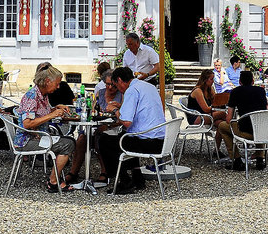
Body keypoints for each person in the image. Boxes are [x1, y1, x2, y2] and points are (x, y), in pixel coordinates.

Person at [17, 63, 88, 192]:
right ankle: (53, 182)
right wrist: (52, 115)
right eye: (57, 83)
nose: (58, 86)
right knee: (68, 144)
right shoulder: (32, 96)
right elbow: (27, 123)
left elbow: (41, 112)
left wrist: (56, 108)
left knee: (68, 141)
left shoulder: (42, 95)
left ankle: (55, 179)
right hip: (26, 141)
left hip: (38, 137)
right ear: (47, 81)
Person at [99, 66, 167, 194]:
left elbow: (126, 122)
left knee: (104, 140)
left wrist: (114, 110)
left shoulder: (131, 90)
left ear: (120, 80)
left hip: (147, 143)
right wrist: (122, 106)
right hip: (162, 140)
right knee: (127, 136)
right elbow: (141, 108)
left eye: (115, 85)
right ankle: (137, 177)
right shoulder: (149, 87)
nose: (117, 89)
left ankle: (124, 180)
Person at [217, 71, 268, 171]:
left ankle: (236, 159)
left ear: (240, 82)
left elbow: (229, 119)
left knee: (222, 126)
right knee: (258, 123)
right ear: (253, 81)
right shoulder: (261, 91)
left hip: (245, 132)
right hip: (262, 132)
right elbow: (265, 111)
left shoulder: (236, 92)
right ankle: (260, 158)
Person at [187, 68, 228, 156]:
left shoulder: (209, 89)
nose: (213, 81)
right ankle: (235, 132)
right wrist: (217, 109)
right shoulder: (198, 91)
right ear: (205, 80)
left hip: (206, 116)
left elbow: (215, 103)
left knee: (221, 124)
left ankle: (216, 150)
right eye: (211, 79)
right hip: (196, 117)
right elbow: (206, 109)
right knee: (224, 114)